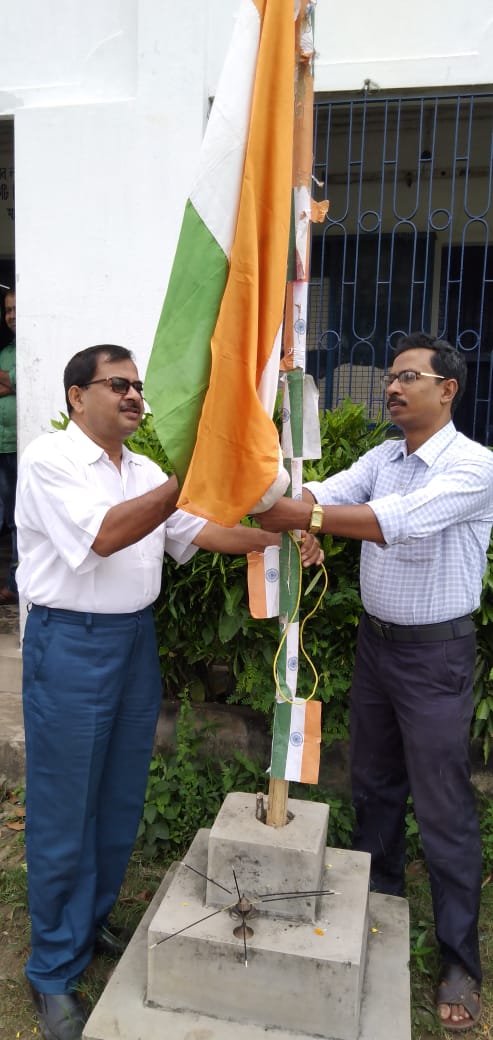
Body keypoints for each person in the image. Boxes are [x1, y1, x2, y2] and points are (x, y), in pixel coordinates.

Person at [15, 342, 322, 1040]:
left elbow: (198, 529)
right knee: (66, 807)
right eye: (116, 384)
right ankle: (53, 968)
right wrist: (187, 480)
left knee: (119, 797)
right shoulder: (50, 461)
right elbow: (104, 537)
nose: (133, 395)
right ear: (76, 397)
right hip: (71, 645)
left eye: (136, 385)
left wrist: (273, 540)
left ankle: (89, 923)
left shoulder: (143, 469)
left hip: (132, 642)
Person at [256, 331, 493, 1033]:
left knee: (443, 806)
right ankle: (378, 899)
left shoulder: (474, 466)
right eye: (390, 376)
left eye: (408, 376)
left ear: (446, 389)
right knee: (373, 784)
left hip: (435, 659)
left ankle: (459, 959)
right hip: (377, 650)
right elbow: (326, 493)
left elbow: (397, 523)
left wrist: (306, 517)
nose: (391, 386)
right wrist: (299, 509)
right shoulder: (384, 458)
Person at [0, 288, 18, 604]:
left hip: (21, 444)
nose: (11, 316)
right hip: (2, 445)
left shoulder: (33, 346)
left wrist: (11, 382)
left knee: (19, 518)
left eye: (16, 308)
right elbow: (11, 382)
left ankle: (15, 586)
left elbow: (20, 380)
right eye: (7, 310)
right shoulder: (5, 352)